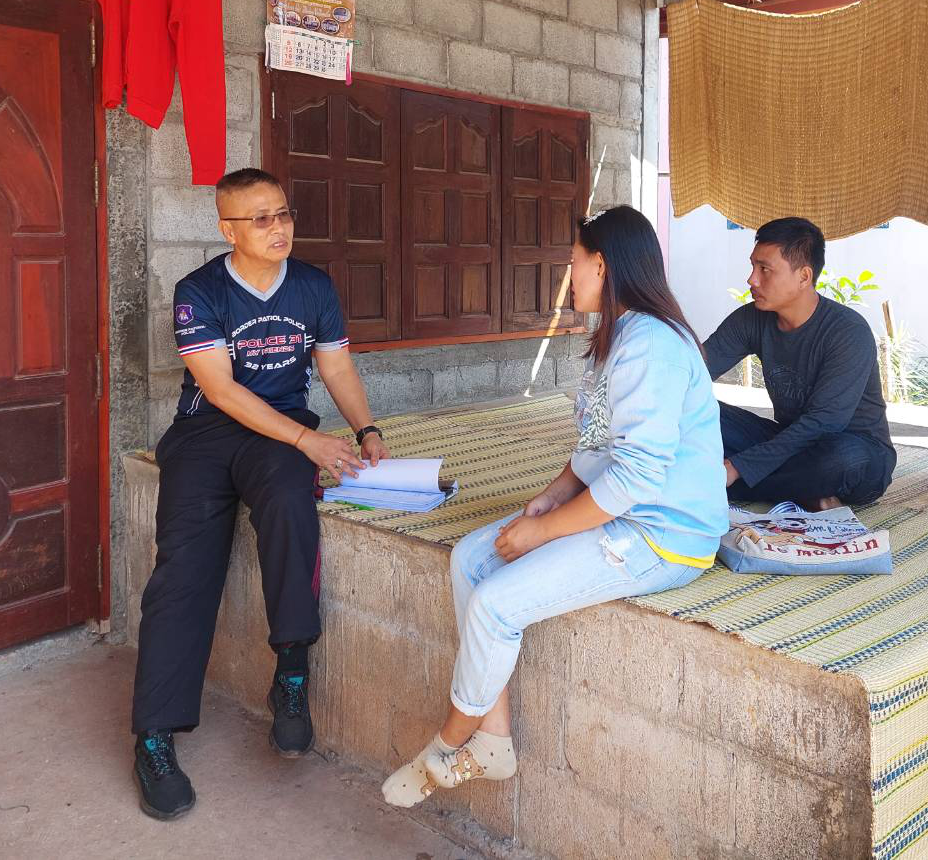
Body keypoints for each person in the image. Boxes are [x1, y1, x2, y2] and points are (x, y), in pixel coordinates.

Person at [380, 205, 726, 808]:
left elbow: (637, 477)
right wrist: (549, 500)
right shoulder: (617, 337)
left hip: (662, 536)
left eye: (574, 262)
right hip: (617, 510)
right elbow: (596, 446)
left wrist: (542, 534)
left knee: (495, 604)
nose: (569, 277)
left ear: (603, 265)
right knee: (470, 559)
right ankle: (494, 740)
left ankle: (447, 744)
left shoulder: (651, 345)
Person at [131, 168, 390, 820]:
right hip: (205, 436)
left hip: (278, 436)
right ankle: (154, 736)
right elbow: (219, 390)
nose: (279, 228)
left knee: (290, 506)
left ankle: (291, 671)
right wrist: (309, 442)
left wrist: (366, 429)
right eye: (261, 218)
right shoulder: (199, 291)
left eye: (283, 213)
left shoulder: (312, 286)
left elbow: (335, 365)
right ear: (228, 229)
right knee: (182, 569)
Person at [703, 217, 895, 510]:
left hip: (850, 449)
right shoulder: (751, 319)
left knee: (845, 459)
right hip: (789, 443)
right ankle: (801, 493)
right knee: (698, 409)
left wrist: (737, 467)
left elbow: (824, 423)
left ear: (804, 277)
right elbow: (692, 374)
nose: (752, 279)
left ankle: (719, 482)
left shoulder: (848, 332)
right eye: (753, 266)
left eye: (765, 269)